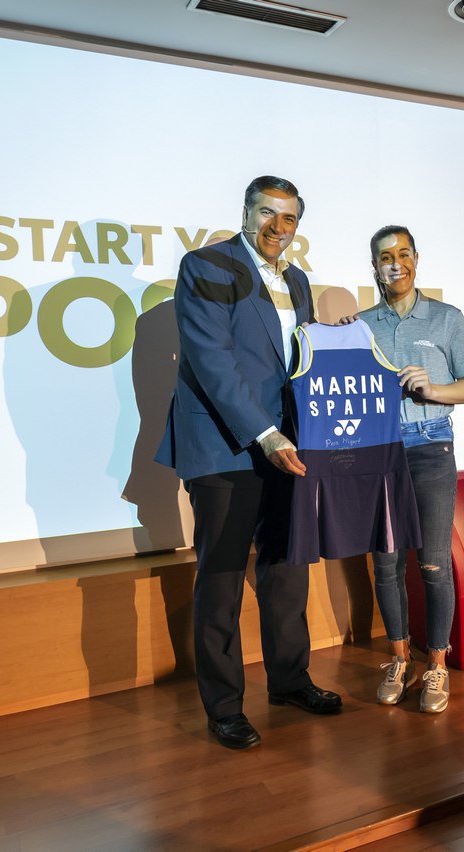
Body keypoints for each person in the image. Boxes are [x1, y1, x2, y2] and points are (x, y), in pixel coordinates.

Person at [156, 175, 341, 750]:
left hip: (289, 446)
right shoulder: (205, 265)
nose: (276, 227)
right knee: (222, 578)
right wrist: (265, 434)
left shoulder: (298, 279)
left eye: (288, 218)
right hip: (225, 445)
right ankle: (224, 707)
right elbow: (212, 360)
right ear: (245, 211)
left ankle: (289, 680)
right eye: (266, 213)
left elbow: (295, 362)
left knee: (286, 571)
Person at [358, 225, 464, 713]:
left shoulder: (447, 318)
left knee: (432, 563)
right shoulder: (361, 325)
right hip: (379, 452)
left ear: (416, 259)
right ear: (375, 267)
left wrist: (433, 389)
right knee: (386, 563)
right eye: (386, 257)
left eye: (404, 253)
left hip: (432, 445)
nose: (396, 263)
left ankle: (437, 665)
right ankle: (399, 659)